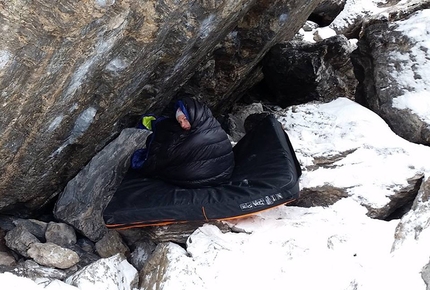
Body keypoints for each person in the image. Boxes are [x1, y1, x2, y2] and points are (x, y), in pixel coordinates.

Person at [131, 97, 235, 188]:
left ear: (193, 115)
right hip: (224, 172)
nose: (183, 125)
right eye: (180, 121)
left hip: (204, 175)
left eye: (185, 119)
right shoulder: (205, 122)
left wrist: (143, 162)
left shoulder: (204, 127)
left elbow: (167, 155)